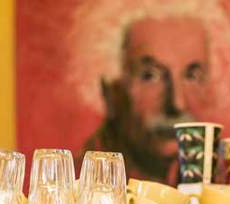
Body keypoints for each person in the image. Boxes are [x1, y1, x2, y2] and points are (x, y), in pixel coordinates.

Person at [82, 15, 214, 183]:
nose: (177, 104)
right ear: (112, 94)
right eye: (150, 76)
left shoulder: (219, 177)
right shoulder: (80, 188)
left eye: (192, 76)